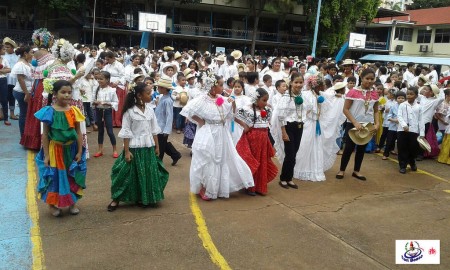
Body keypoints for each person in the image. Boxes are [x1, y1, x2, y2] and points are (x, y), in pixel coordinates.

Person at [180, 73, 254, 200]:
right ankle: (206, 187)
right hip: (208, 132)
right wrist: (201, 121)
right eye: (220, 85)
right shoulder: (203, 99)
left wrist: (233, 103)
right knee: (208, 159)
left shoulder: (220, 98)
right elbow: (188, 111)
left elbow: (230, 114)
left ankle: (217, 187)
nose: (223, 87)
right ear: (213, 87)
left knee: (221, 158)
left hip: (222, 132)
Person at [107, 82, 169, 211]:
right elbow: (126, 132)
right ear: (139, 95)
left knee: (146, 173)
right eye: (148, 93)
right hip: (134, 148)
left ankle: (144, 197)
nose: (151, 95)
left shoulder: (150, 111)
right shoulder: (129, 112)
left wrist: (157, 146)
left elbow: (154, 130)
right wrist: (127, 151)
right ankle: (116, 198)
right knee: (124, 173)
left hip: (148, 147)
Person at [35, 80, 87, 217]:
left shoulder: (74, 110)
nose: (67, 95)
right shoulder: (49, 112)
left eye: (69, 92)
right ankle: (52, 205)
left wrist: (80, 151)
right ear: (55, 94)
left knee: (72, 175)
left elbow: (79, 132)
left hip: (71, 149)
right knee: (54, 177)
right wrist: (46, 155)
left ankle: (72, 203)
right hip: (55, 150)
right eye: (63, 92)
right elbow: (45, 135)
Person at [336, 68, 380, 181]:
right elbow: (345, 109)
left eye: (372, 79)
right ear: (361, 78)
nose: (369, 81)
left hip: (367, 125)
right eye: (367, 78)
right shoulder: (353, 91)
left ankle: (356, 171)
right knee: (349, 148)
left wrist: (377, 123)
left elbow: (376, 110)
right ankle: (342, 170)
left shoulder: (374, 93)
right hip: (353, 124)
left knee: (361, 148)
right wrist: (355, 122)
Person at [293, 74, 337, 181]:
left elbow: (332, 97)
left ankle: (314, 168)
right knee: (305, 145)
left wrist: (339, 96)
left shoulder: (320, 94)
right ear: (316, 86)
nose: (324, 87)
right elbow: (301, 108)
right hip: (308, 123)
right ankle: (302, 168)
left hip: (316, 123)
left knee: (316, 145)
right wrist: (311, 109)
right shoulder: (306, 94)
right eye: (322, 85)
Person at [235, 88, 278, 195]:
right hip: (252, 139)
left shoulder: (268, 110)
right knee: (253, 161)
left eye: (266, 100)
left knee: (262, 161)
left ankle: (260, 185)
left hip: (263, 138)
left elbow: (268, 123)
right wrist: (245, 125)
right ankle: (250, 187)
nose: (265, 103)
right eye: (263, 100)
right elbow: (235, 116)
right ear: (256, 99)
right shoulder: (247, 109)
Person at [20, 28, 55, 149]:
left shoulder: (35, 54)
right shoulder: (50, 56)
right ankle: (40, 141)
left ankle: (31, 141)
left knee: (34, 109)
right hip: (45, 84)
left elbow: (34, 70)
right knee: (43, 108)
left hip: (36, 84)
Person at [271, 73, 304, 189]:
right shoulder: (286, 97)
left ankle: (289, 178)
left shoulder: (302, 95)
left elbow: (306, 109)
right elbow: (281, 116)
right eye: (296, 82)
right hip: (288, 126)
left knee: (294, 153)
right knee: (290, 154)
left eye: (300, 82)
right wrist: (284, 132)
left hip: (299, 126)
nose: (298, 85)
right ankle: (283, 178)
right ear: (291, 83)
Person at [154, 75, 182, 165]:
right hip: (158, 125)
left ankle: (159, 163)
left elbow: (169, 116)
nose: (158, 88)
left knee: (161, 147)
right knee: (162, 144)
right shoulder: (163, 97)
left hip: (162, 128)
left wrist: (167, 130)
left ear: (164, 89)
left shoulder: (168, 100)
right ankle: (175, 155)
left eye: (159, 87)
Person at [397, 87, 425, 174]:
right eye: (408, 94)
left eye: (411, 94)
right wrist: (404, 125)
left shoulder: (419, 107)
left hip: (414, 130)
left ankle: (412, 162)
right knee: (402, 147)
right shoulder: (402, 105)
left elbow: (421, 120)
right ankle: (402, 165)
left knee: (413, 148)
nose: (409, 95)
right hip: (402, 130)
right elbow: (399, 116)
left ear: (416, 95)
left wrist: (422, 132)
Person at [92, 71, 119, 158]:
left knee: (110, 131)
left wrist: (109, 104)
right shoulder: (96, 89)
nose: (99, 80)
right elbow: (92, 100)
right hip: (98, 110)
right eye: (98, 79)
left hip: (107, 111)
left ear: (107, 80)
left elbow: (116, 102)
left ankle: (114, 149)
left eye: (101, 79)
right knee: (100, 131)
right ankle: (100, 149)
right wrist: (95, 102)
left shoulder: (111, 90)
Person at [11, 46, 33, 136]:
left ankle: (26, 134)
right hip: (22, 92)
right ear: (25, 54)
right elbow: (21, 80)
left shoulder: (26, 62)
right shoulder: (20, 64)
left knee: (26, 113)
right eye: (31, 52)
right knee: (24, 114)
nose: (32, 55)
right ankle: (23, 136)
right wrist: (26, 93)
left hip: (26, 91)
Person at [103, 51, 126, 127]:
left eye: (108, 59)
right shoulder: (107, 66)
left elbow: (123, 76)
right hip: (109, 86)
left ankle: (117, 121)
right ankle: (110, 121)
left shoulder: (119, 65)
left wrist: (117, 82)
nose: (107, 61)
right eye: (106, 59)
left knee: (118, 104)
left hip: (118, 87)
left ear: (113, 58)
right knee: (109, 103)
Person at [382, 91, 406, 160]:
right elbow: (388, 117)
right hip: (392, 127)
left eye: (402, 98)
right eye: (399, 98)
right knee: (389, 141)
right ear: (396, 99)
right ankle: (385, 154)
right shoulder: (393, 106)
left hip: (402, 128)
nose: (401, 99)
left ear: (405, 99)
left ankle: (401, 156)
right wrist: (395, 120)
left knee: (401, 142)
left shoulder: (407, 107)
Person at [2, 38, 19, 122]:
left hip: (13, 79)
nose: (6, 49)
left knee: (12, 96)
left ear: (12, 48)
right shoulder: (2, 56)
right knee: (3, 96)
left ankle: (12, 113)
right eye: (5, 47)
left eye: (8, 47)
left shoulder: (17, 56)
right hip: (4, 78)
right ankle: (1, 113)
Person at [0, 44, 12, 126]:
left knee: (4, 99)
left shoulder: (4, 59)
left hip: (3, 80)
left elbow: (9, 69)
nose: (5, 51)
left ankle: (6, 118)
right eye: (3, 49)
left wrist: (2, 71)